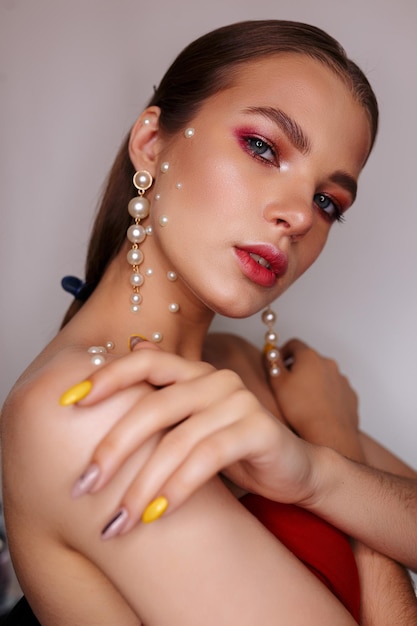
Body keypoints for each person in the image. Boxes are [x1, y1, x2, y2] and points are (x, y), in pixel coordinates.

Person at [1, 19, 416, 625]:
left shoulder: (240, 363)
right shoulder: (84, 412)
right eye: (263, 148)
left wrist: (317, 471)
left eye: (329, 201)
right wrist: (331, 433)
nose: (300, 215)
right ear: (150, 141)